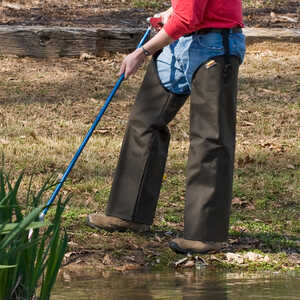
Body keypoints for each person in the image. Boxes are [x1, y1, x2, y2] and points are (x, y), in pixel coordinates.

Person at [87, 0, 246, 254]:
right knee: (144, 122)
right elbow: (190, 11)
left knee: (210, 138)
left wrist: (142, 53)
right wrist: (172, 12)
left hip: (215, 47)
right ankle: (129, 214)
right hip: (181, 44)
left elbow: (187, 19)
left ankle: (206, 235)